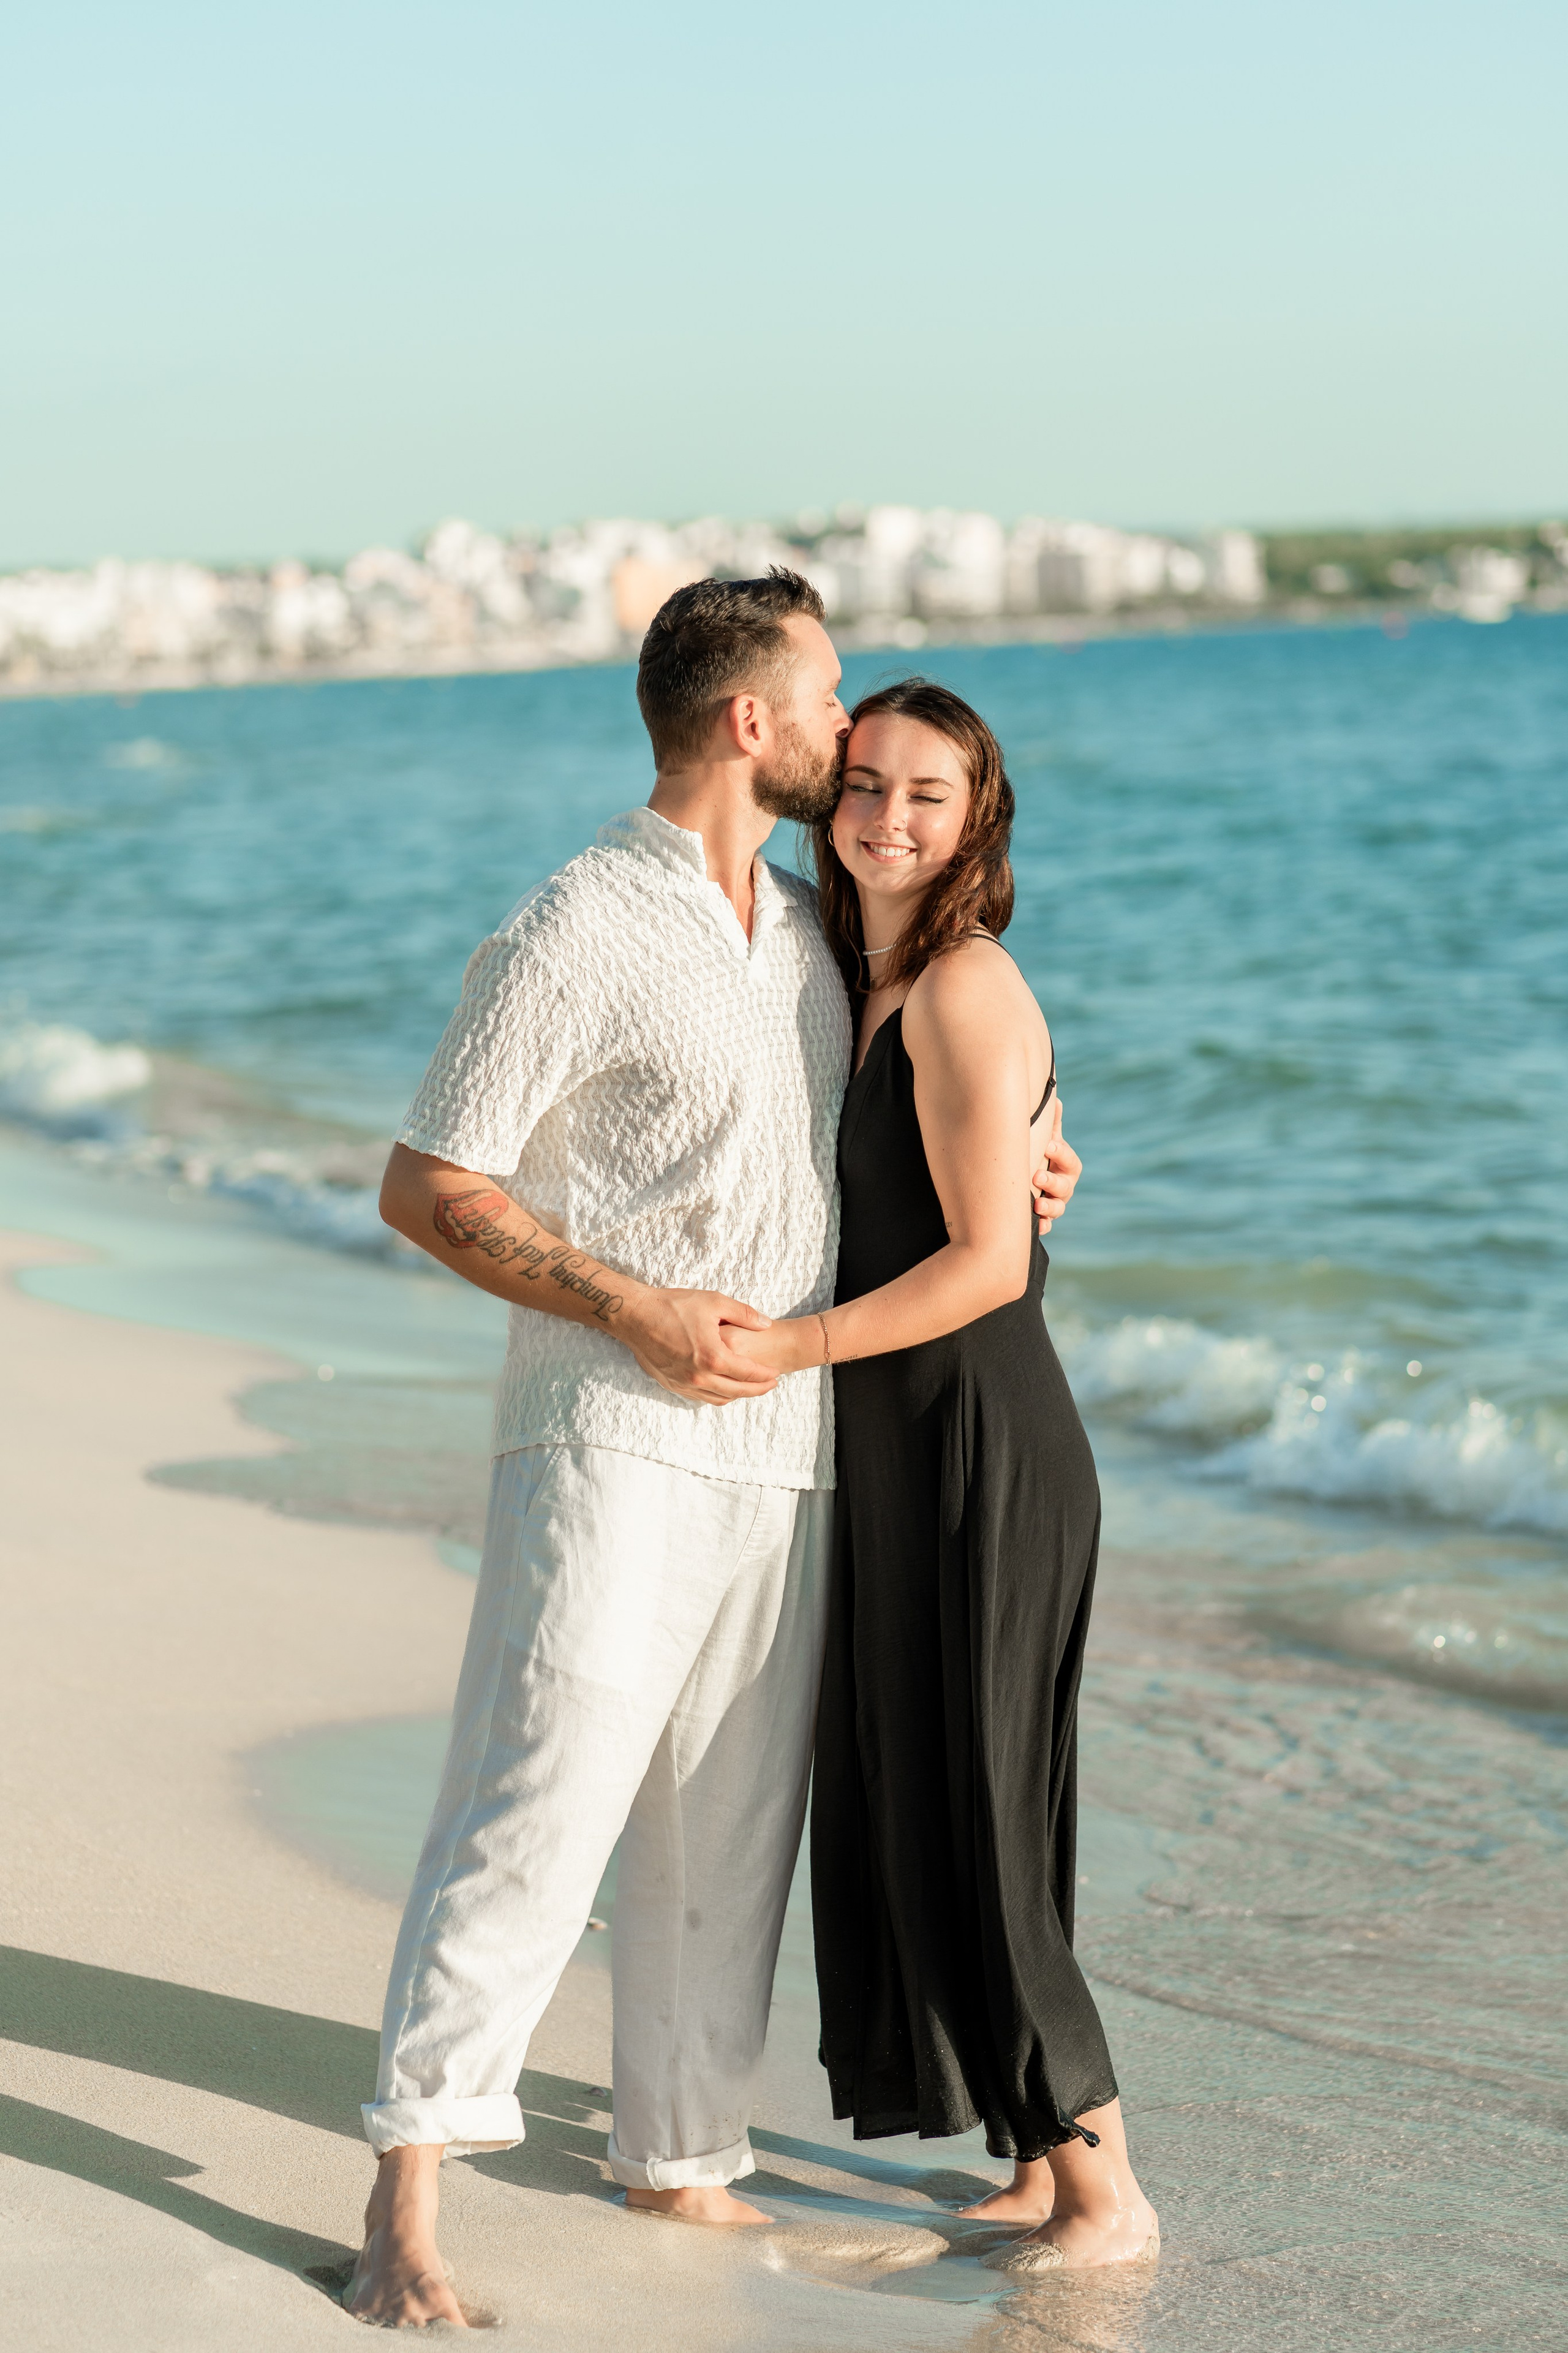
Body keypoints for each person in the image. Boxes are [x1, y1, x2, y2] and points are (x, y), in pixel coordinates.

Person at [345, 579, 1083, 2326]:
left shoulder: (817, 931)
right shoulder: (575, 925)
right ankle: (407, 2191)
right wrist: (628, 1307)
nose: (851, 735)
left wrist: (1050, 1158)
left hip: (793, 1455)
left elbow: (960, 1077)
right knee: (537, 1800)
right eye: (829, 698)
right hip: (609, 1434)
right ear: (751, 722)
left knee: (733, 1823)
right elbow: (428, 1182)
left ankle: (679, 2149)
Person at [727, 679, 1158, 2272]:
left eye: (928, 794)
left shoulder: (965, 982)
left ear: (979, 821)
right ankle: (1046, 2163)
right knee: (938, 1801)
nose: (888, 816)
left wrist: (788, 1346)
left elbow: (987, 1263)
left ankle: (1108, 2191)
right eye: (865, 785)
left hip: (985, 1439)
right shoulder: (871, 972)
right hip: (905, 1443)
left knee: (987, 1812)